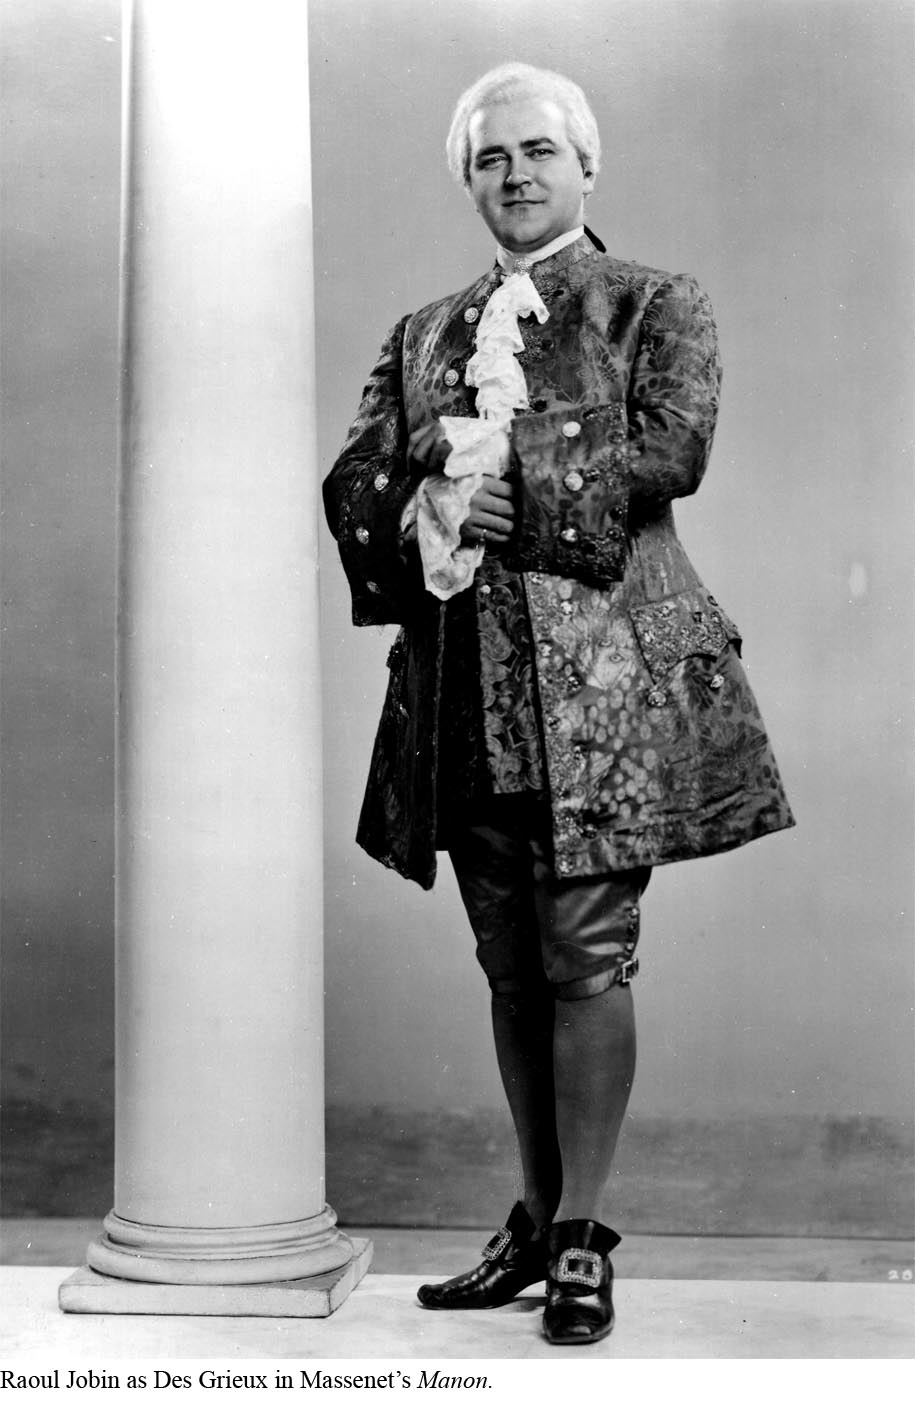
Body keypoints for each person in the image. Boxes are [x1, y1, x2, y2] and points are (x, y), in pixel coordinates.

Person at [323, 62, 794, 1346]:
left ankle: (582, 1234)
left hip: (609, 696)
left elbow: (672, 450)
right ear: (469, 181)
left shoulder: (656, 302)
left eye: (538, 151)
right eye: (491, 158)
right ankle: (537, 1221)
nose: (516, 174)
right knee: (509, 964)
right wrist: (432, 490)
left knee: (586, 951)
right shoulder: (423, 333)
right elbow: (357, 478)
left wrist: (502, 475)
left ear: (587, 165)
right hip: (461, 688)